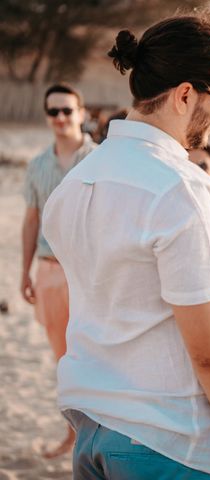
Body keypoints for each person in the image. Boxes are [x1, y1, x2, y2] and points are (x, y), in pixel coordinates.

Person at [42, 14, 210, 480]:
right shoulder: (182, 190)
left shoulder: (76, 183)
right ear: (186, 94)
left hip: (92, 432)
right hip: (171, 443)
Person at [21, 83, 96, 458]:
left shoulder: (101, 159)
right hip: (49, 271)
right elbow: (30, 220)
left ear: (82, 112)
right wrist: (24, 272)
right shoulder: (37, 165)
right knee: (63, 359)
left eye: (68, 110)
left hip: (92, 274)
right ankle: (73, 435)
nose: (61, 118)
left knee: (96, 354)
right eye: (54, 112)